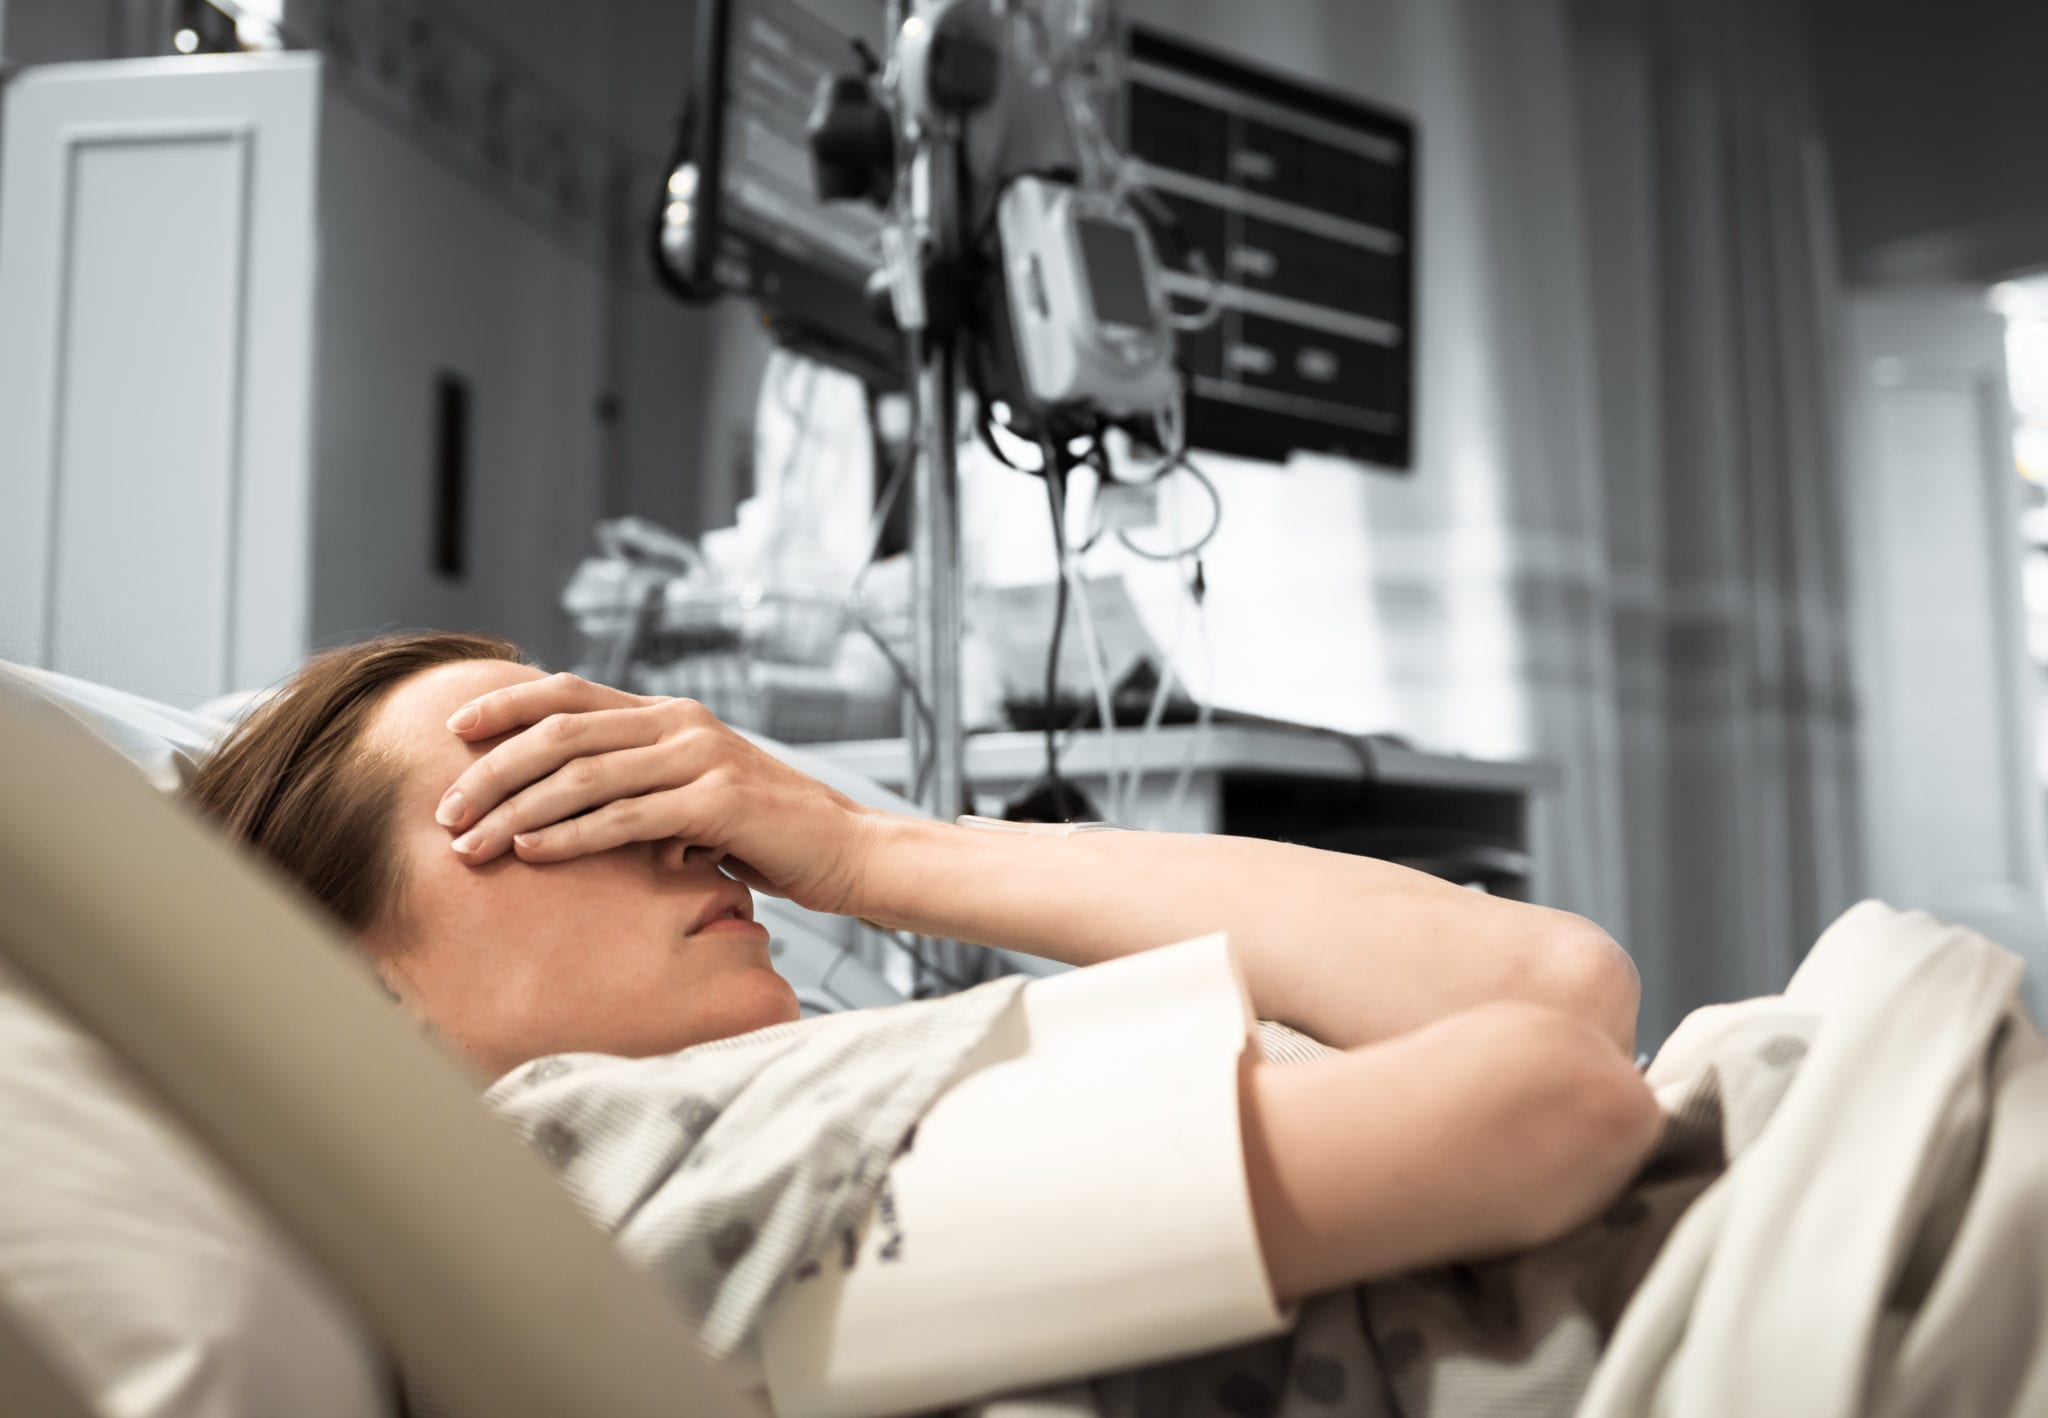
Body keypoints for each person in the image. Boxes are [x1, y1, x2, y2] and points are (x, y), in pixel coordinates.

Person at [183, 628, 1658, 1344]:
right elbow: (1547, 1096)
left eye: (633, 761)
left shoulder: (777, 1099)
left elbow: (1561, 981)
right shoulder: (618, 1169)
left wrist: (863, 844)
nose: (680, 816)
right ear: (353, 1003)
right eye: (559, 787)